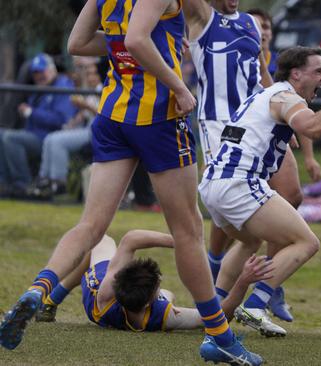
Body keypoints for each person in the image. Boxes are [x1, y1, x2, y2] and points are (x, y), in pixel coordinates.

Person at [0, 1, 262, 365]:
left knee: (91, 226)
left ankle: (38, 289)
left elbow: (79, 43)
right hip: (158, 117)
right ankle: (219, 337)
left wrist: (148, 45)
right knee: (188, 231)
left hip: (112, 114)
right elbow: (138, 39)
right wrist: (179, 86)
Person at [197, 46, 321, 337]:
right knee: (306, 242)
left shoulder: (265, 95)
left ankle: (215, 309)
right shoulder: (285, 96)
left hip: (213, 185)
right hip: (239, 183)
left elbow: (254, 130)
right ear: (296, 74)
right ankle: (257, 305)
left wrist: (283, 137)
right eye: (318, 71)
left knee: (250, 242)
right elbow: (313, 127)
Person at [184, 0, 321, 331]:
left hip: (258, 116)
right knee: (233, 203)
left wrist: (280, 112)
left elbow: (263, 70)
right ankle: (220, 275)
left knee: (290, 195)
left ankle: (268, 281)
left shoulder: (248, 22)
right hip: (220, 123)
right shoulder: (203, 18)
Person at [34, 231, 272, 329]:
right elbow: (217, 315)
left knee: (98, 240)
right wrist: (243, 281)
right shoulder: (164, 315)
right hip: (122, 305)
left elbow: (130, 239)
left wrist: (177, 241)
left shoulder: (108, 289)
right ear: (151, 301)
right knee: (171, 296)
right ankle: (49, 303)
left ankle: (50, 301)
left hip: (95, 299)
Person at [0, 53, 77, 198]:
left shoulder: (63, 85)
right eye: (35, 73)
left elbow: (61, 119)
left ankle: (23, 185)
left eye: (42, 71)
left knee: (10, 138)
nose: (39, 76)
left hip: (49, 138)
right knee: (1, 134)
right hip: (33, 134)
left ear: (52, 69)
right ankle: (3, 183)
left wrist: (31, 112)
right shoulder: (39, 88)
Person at [28, 57, 102, 199]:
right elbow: (83, 116)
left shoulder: (104, 88)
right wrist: (72, 122)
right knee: (51, 137)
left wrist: (87, 106)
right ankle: (45, 179)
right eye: (87, 72)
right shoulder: (87, 90)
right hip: (86, 128)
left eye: (92, 72)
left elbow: (105, 115)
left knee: (57, 141)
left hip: (98, 132)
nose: (89, 75)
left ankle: (59, 184)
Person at [247, 8, 277, 77]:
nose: (261, 32)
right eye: (255, 26)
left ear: (271, 33)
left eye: (265, 27)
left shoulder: (284, 66)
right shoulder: (235, 64)